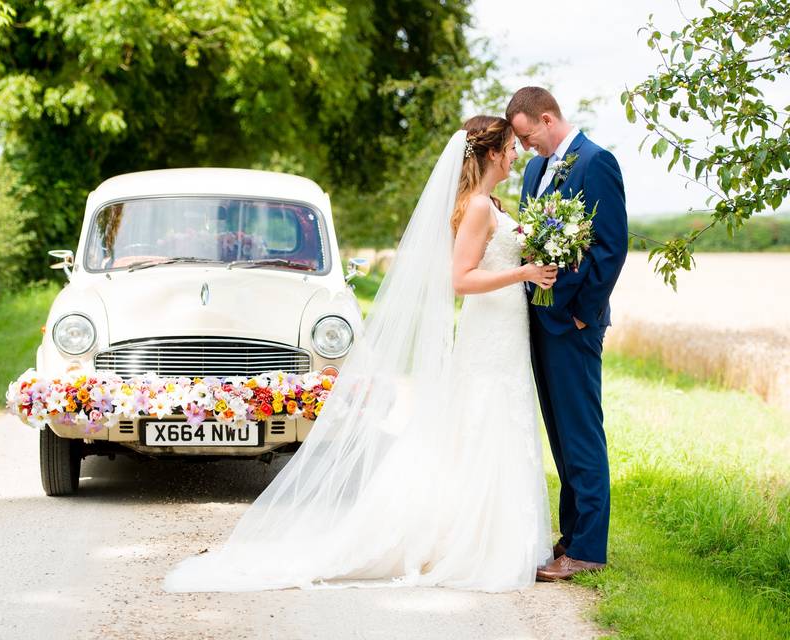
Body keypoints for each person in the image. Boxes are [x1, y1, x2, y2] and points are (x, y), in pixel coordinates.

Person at [163, 116, 557, 593]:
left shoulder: (494, 204)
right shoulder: (476, 207)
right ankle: (472, 542)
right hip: (488, 330)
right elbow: (459, 280)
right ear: (493, 153)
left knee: (500, 422)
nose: (517, 154)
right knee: (484, 421)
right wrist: (524, 274)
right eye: (512, 147)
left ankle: (499, 535)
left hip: (505, 329)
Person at [506, 87, 628, 581]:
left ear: (548, 118)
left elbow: (610, 247)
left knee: (581, 434)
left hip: (573, 322)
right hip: (538, 318)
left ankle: (589, 550)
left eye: (526, 135)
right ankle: (571, 537)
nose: (525, 147)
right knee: (560, 434)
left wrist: (582, 312)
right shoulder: (536, 171)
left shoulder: (597, 162)